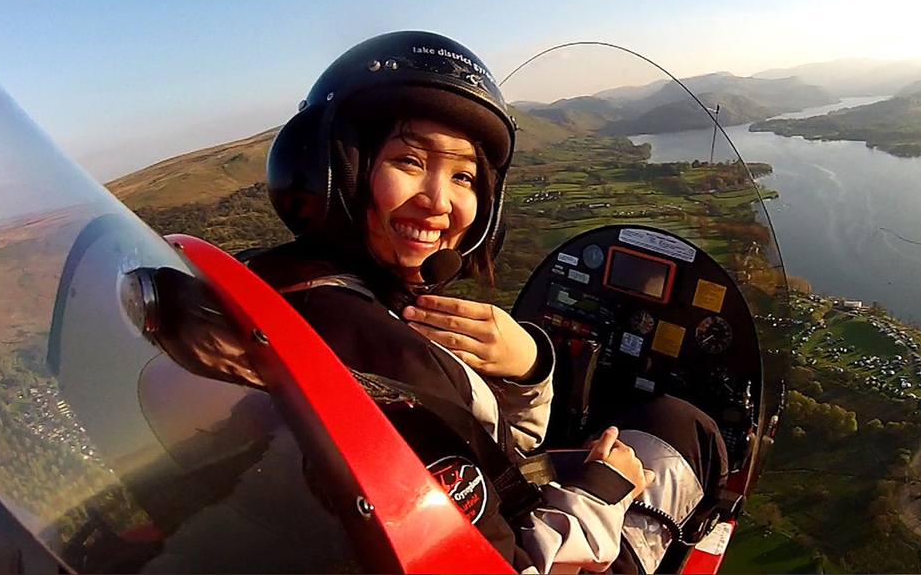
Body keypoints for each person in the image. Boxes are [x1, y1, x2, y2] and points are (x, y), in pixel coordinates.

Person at [247, 31, 727, 573]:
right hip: (549, 552)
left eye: (464, 176)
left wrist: (528, 369)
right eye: (408, 161)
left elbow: (495, 457)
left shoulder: (275, 283)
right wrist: (605, 489)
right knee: (684, 425)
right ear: (337, 171)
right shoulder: (390, 362)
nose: (439, 201)